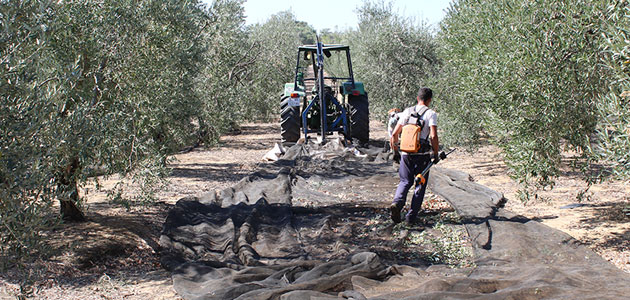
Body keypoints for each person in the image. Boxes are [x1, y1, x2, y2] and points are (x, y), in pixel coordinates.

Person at [389, 87, 439, 224]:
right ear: (429, 100)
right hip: (422, 155)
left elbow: (394, 134)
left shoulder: (407, 112)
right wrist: (435, 153)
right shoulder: (431, 114)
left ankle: (397, 204)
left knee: (405, 181)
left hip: (406, 153)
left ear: (418, 98)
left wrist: (396, 151)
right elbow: (433, 136)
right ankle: (411, 217)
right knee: (420, 185)